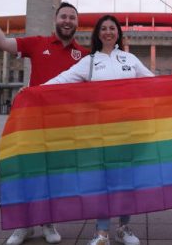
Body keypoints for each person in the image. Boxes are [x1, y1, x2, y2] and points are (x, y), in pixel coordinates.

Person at [0, 0, 88, 245]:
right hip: (34, 122)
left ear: (77, 23)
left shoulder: (85, 55)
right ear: (56, 20)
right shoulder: (38, 44)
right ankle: (22, 225)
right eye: (64, 16)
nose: (67, 21)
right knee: (27, 172)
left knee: (53, 175)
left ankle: (48, 222)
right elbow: (3, 43)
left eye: (72, 18)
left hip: (64, 126)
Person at [45, 15, 153, 245]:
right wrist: (35, 90)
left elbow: (153, 83)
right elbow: (64, 79)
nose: (108, 32)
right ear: (97, 34)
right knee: (103, 180)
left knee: (126, 179)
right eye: (103, 29)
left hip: (129, 130)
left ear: (118, 33)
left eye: (112, 28)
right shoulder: (90, 61)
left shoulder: (129, 59)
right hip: (100, 131)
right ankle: (101, 231)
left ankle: (124, 228)